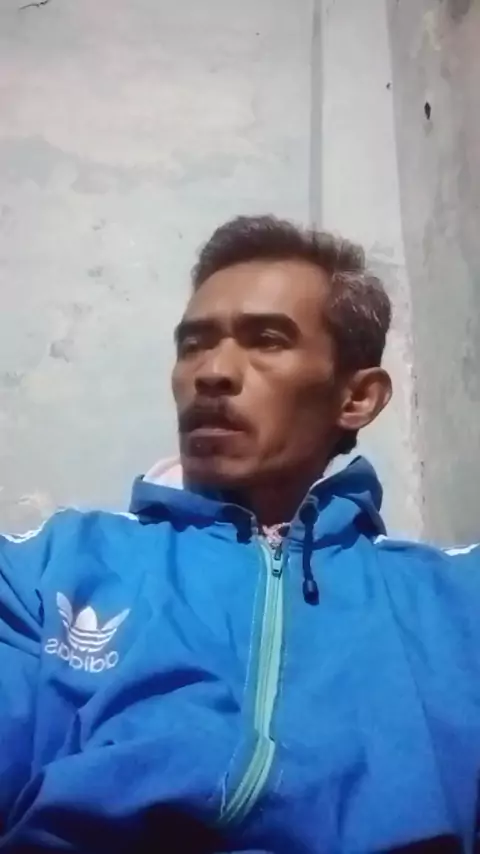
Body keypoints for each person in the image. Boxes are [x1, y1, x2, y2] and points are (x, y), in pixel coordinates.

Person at [1, 215, 479, 854]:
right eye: (194, 345)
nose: (213, 372)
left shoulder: (459, 604)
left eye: (267, 340)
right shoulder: (46, 571)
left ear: (357, 399)